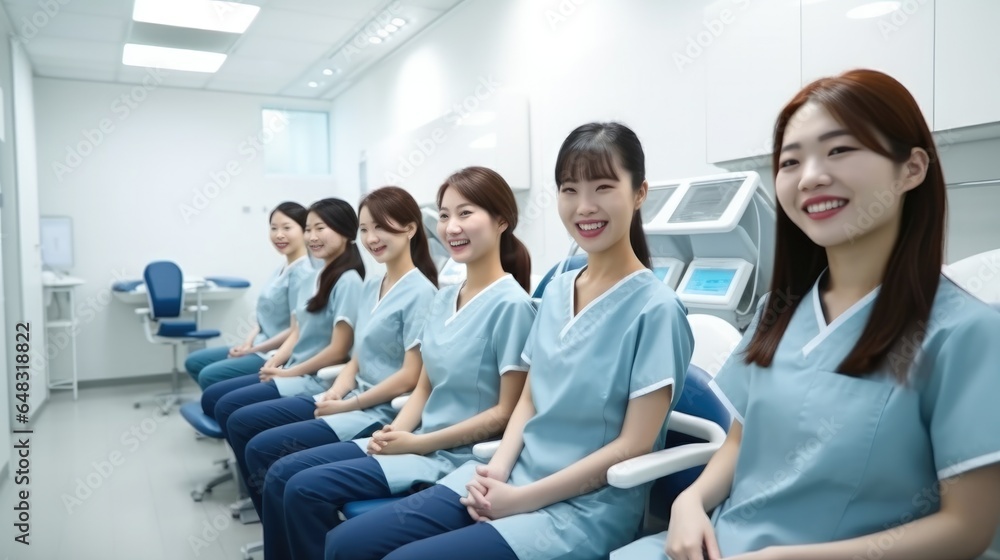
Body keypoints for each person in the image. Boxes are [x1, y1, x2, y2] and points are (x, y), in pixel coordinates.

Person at [613, 69, 1000, 560]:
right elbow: (739, 443)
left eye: (839, 150)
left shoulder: (966, 335)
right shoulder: (780, 314)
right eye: (791, 160)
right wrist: (691, 501)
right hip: (723, 543)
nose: (811, 175)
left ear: (912, 168)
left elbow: (967, 528)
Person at [324, 122, 693, 560]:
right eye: (569, 189)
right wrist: (497, 469)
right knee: (346, 542)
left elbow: (633, 445)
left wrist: (520, 499)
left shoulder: (658, 309)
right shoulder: (557, 290)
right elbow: (529, 400)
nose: (585, 206)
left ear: (639, 193)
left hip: (581, 509)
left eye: (604, 187)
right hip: (507, 474)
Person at [268, 167, 536, 560]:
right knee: (283, 476)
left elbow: (505, 412)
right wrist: (394, 432)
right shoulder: (445, 298)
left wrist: (417, 442)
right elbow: (425, 386)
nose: (451, 226)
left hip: (460, 457)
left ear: (501, 221)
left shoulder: (513, 306)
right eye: (444, 215)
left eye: (465, 213)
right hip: (415, 440)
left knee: (309, 495)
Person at [225, 186, 438, 518]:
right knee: (261, 448)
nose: (371, 238)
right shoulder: (373, 285)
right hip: (347, 398)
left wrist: (345, 403)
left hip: (378, 413)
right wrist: (335, 393)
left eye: (381, 227)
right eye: (365, 229)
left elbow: (409, 377)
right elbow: (356, 356)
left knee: (270, 457)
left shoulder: (422, 292)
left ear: (410, 228)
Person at [199, 198, 364, 432]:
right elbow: (297, 330)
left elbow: (338, 351)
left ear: (347, 232)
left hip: (314, 377)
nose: (312, 237)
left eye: (320, 228)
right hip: (291, 368)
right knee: (217, 399)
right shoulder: (315, 276)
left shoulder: (348, 282)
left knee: (226, 405)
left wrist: (287, 371)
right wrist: (274, 362)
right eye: (308, 229)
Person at [185, 202, 313, 391]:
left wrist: (252, 350)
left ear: (304, 231)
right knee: (194, 361)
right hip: (259, 346)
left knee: (208, 375)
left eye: (287, 228)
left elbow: (296, 330)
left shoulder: (304, 272)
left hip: (275, 353)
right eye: (273, 228)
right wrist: (246, 344)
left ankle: (226, 409)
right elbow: (262, 320)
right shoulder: (282, 268)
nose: (279, 235)